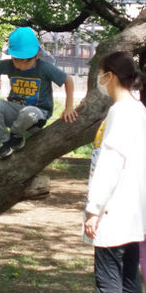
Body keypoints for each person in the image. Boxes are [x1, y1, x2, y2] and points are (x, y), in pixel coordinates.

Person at [0, 27, 78, 158]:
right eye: (16, 60)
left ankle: (16, 135)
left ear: (37, 55)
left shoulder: (45, 68)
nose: (21, 65)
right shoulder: (9, 65)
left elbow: (68, 80)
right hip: (16, 113)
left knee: (28, 112)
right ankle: (5, 142)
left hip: (37, 115)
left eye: (27, 61)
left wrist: (69, 107)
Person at [82, 51, 146, 292]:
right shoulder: (139, 109)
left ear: (110, 76)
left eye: (100, 75)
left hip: (114, 211)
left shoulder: (120, 112)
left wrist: (93, 209)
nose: (100, 80)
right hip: (134, 213)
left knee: (109, 280)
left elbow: (109, 164)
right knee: (130, 280)